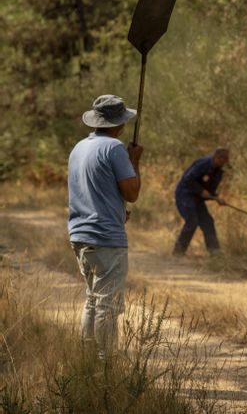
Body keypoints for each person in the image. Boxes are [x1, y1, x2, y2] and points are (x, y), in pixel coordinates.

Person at [68, 94, 143, 359]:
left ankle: (88, 359)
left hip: (80, 235)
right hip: (106, 238)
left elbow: (92, 191)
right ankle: (105, 363)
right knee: (108, 305)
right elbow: (132, 192)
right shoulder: (114, 148)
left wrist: (117, 212)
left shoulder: (79, 148)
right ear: (119, 124)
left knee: (92, 299)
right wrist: (134, 159)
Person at [172, 148, 229, 255]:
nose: (225, 162)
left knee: (208, 222)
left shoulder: (218, 172)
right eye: (224, 159)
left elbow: (209, 191)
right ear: (218, 157)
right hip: (185, 195)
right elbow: (188, 179)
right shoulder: (203, 164)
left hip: (197, 198)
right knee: (192, 221)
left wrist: (217, 198)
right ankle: (178, 252)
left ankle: (215, 252)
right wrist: (201, 190)